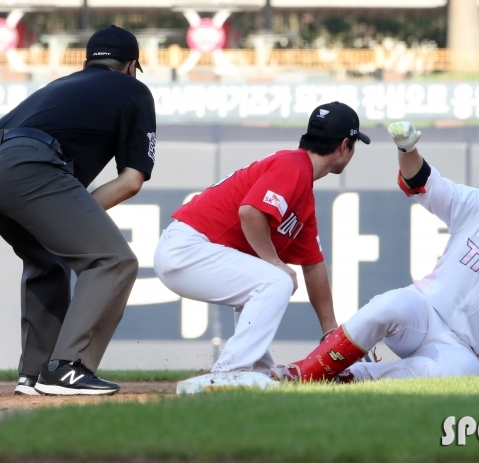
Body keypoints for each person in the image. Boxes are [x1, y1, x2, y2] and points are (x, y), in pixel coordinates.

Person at [270, 121, 479, 382]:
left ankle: (351, 377)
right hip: (422, 313)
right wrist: (407, 149)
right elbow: (425, 183)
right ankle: (303, 372)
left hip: (460, 347)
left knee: (462, 374)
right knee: (391, 303)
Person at [0, 25, 156, 396]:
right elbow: (131, 180)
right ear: (131, 65)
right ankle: (68, 366)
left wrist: (68, 215)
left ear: (88, 62)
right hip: (27, 165)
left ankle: (34, 373)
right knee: (113, 261)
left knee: (47, 258)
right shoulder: (133, 89)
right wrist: (81, 212)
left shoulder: (62, 84)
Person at [154, 102, 369, 380]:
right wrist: (274, 262)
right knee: (275, 279)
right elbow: (250, 212)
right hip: (187, 248)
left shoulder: (302, 190)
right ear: (344, 146)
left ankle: (256, 369)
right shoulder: (293, 165)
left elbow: (313, 265)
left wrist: (331, 331)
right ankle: (229, 372)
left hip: (191, 250)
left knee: (265, 282)